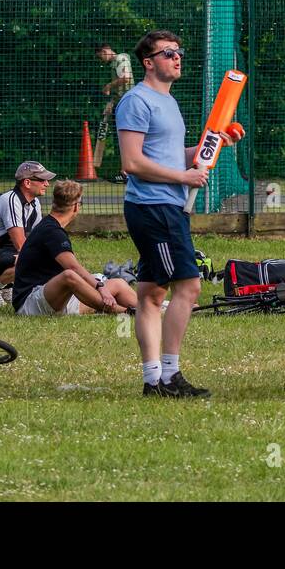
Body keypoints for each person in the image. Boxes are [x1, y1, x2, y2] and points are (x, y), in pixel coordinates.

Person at [117, 30, 243, 398]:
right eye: (168, 53)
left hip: (167, 205)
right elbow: (132, 162)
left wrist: (216, 143)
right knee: (188, 286)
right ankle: (169, 375)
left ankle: (153, 379)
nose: (177, 58)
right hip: (153, 208)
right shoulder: (136, 101)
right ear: (148, 62)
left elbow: (171, 155)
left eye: (179, 52)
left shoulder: (168, 102)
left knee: (152, 293)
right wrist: (183, 176)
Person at [12, 180, 137, 316]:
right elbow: (73, 268)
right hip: (30, 303)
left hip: (54, 297)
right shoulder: (52, 232)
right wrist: (100, 287)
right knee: (70, 276)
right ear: (76, 207)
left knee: (117, 283)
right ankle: (124, 311)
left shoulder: (49, 226)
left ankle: (148, 308)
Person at [0, 161, 56, 306]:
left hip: (1, 253)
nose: (47, 184)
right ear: (27, 183)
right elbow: (21, 245)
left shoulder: (35, 203)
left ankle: (7, 287)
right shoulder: (11, 200)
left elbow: (37, 238)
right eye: (42, 180)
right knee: (29, 259)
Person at [94, 43, 133, 179]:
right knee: (123, 137)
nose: (101, 61)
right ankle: (125, 171)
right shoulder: (114, 64)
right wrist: (111, 103)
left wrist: (109, 85)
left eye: (100, 57)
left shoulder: (120, 58)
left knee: (127, 137)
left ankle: (127, 172)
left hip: (129, 103)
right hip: (122, 102)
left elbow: (126, 78)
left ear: (105, 51)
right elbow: (120, 89)